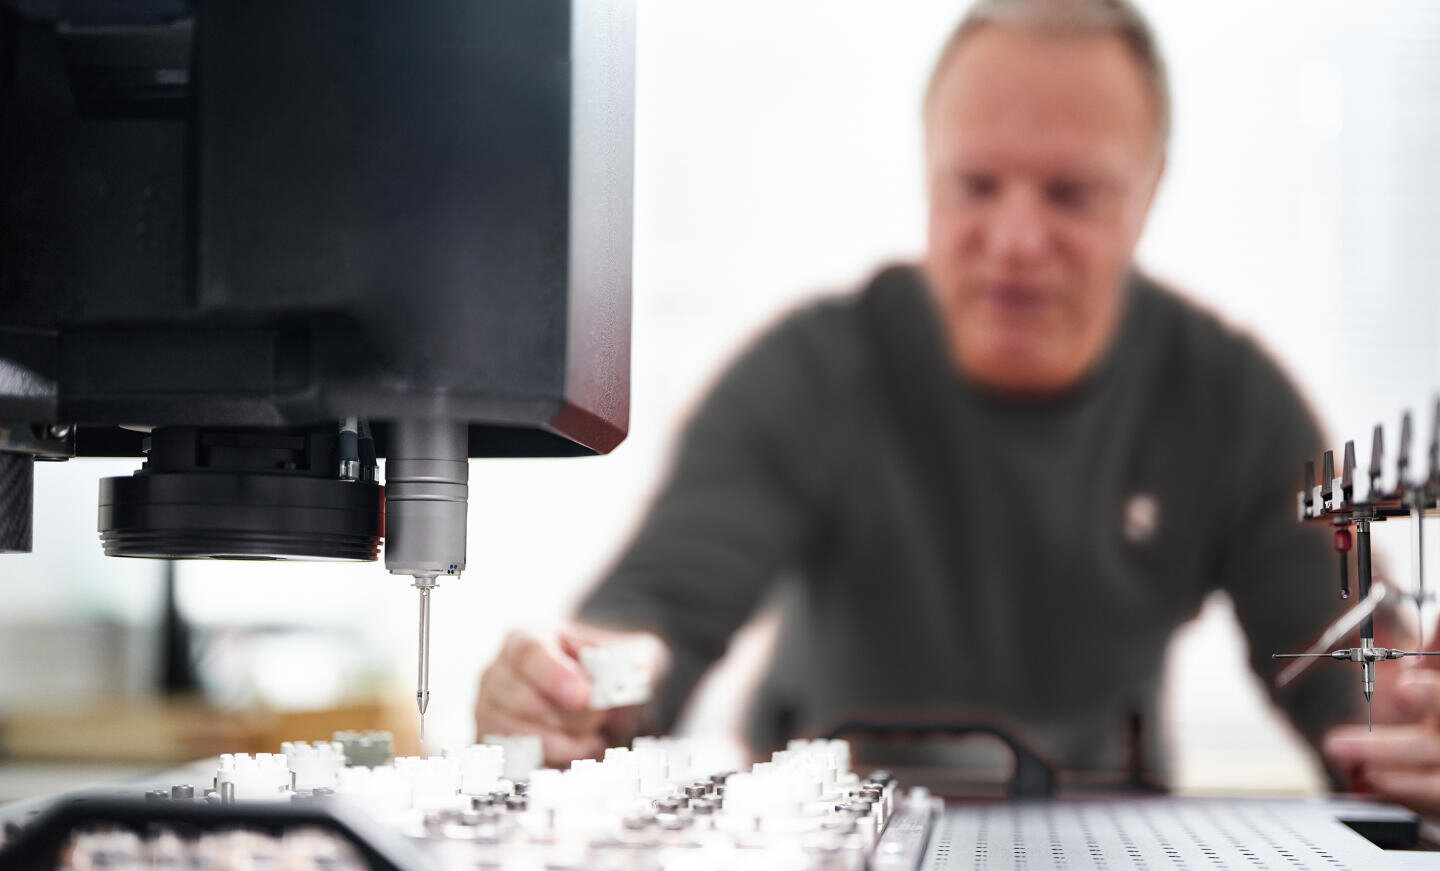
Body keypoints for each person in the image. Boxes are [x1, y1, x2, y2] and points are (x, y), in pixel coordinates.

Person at [475, 0, 1440, 815]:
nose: (1016, 238)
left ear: (1148, 193)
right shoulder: (808, 372)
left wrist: (1412, 720)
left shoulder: (1231, 398)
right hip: (836, 863)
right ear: (926, 175)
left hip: (1114, 869)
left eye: (1070, 194)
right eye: (976, 186)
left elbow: (1349, 664)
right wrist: (578, 690)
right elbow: (659, 618)